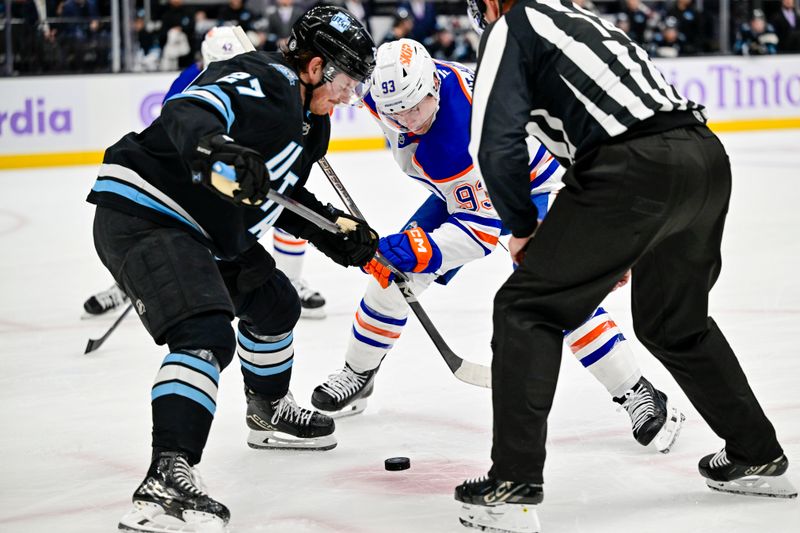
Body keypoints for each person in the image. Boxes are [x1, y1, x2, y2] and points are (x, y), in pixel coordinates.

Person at [458, 1, 796, 531]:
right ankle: (759, 456)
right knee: (674, 324)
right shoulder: (583, 18)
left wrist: (522, 229)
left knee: (526, 306)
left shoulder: (514, 24)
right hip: (702, 159)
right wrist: (616, 240)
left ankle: (514, 483)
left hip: (632, 168)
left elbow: (495, 145)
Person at [311, 38, 684, 455]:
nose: (407, 122)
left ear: (434, 88)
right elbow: (339, 85)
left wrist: (422, 250)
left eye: (414, 109)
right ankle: (358, 373)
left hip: (539, 184)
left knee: (555, 292)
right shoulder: (388, 90)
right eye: (395, 114)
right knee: (391, 279)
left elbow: (482, 232)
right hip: (459, 189)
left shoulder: (465, 134)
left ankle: (637, 392)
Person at [86, 7, 378, 532]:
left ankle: (267, 410)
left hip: (205, 230)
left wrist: (335, 232)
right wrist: (215, 150)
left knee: (274, 304)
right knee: (204, 332)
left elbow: (279, 194)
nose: (348, 96)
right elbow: (186, 114)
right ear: (316, 67)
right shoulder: (266, 79)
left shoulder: (312, 125)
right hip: (148, 213)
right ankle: (167, 478)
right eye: (347, 82)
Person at [84, 26, 329, 319]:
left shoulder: (265, 77)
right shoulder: (190, 80)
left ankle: (291, 280)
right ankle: (129, 283)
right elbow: (180, 132)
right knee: (157, 232)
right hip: (197, 181)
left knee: (281, 198)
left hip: (242, 168)